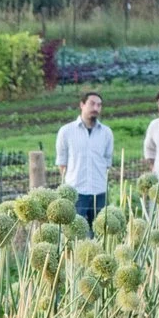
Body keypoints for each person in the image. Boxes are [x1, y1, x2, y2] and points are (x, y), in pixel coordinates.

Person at [54, 91, 115, 227]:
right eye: (92, 104)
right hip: (76, 192)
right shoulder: (66, 131)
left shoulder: (107, 133)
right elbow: (62, 163)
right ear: (82, 105)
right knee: (73, 232)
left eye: (99, 105)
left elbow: (107, 162)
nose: (96, 108)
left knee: (101, 233)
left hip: (100, 191)